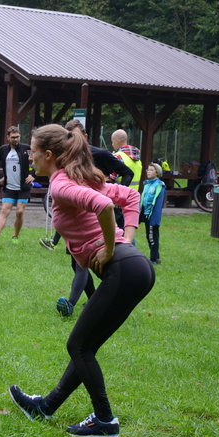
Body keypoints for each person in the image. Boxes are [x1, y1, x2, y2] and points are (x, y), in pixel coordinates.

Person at [9, 124, 154, 437]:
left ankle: (105, 420)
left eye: (32, 151)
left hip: (124, 269)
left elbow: (104, 206)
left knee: (78, 345)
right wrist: (126, 240)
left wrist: (114, 245)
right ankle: (45, 406)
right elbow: (129, 196)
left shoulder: (62, 185)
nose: (29, 157)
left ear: (48, 155)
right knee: (87, 346)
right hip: (135, 269)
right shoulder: (75, 180)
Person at [50, 119, 137, 316]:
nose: (70, 140)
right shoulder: (65, 166)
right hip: (80, 219)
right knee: (78, 262)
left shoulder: (100, 154)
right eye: (67, 136)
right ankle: (94, 301)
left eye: (74, 135)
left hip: (100, 216)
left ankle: (73, 303)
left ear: (85, 136)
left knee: (90, 264)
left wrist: (110, 198)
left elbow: (127, 173)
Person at [0, 126, 32, 243]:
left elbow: (38, 161)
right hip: (9, 187)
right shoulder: (3, 150)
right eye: (13, 137)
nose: (16, 139)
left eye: (17, 137)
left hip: (23, 187)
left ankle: (15, 236)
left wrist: (33, 174)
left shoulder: (26, 149)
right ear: (8, 137)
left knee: (19, 211)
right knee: (4, 210)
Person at [140, 163, 166, 264]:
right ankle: (157, 257)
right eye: (148, 170)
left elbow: (158, 203)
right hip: (145, 214)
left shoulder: (160, 185)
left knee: (152, 237)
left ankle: (154, 259)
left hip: (153, 216)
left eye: (151, 170)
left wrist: (154, 219)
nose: (148, 172)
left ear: (157, 173)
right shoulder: (147, 184)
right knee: (149, 236)